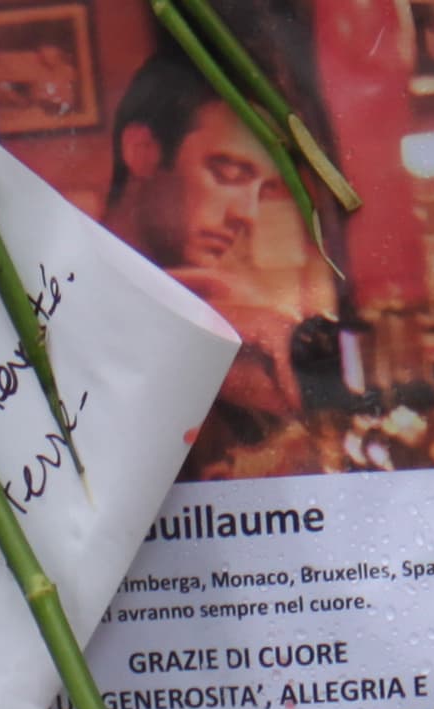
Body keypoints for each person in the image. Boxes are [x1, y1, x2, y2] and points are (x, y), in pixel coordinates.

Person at [104, 40, 331, 477]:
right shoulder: (52, 289)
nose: (246, 214)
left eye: (261, 189)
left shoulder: (228, 317)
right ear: (142, 152)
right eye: (228, 173)